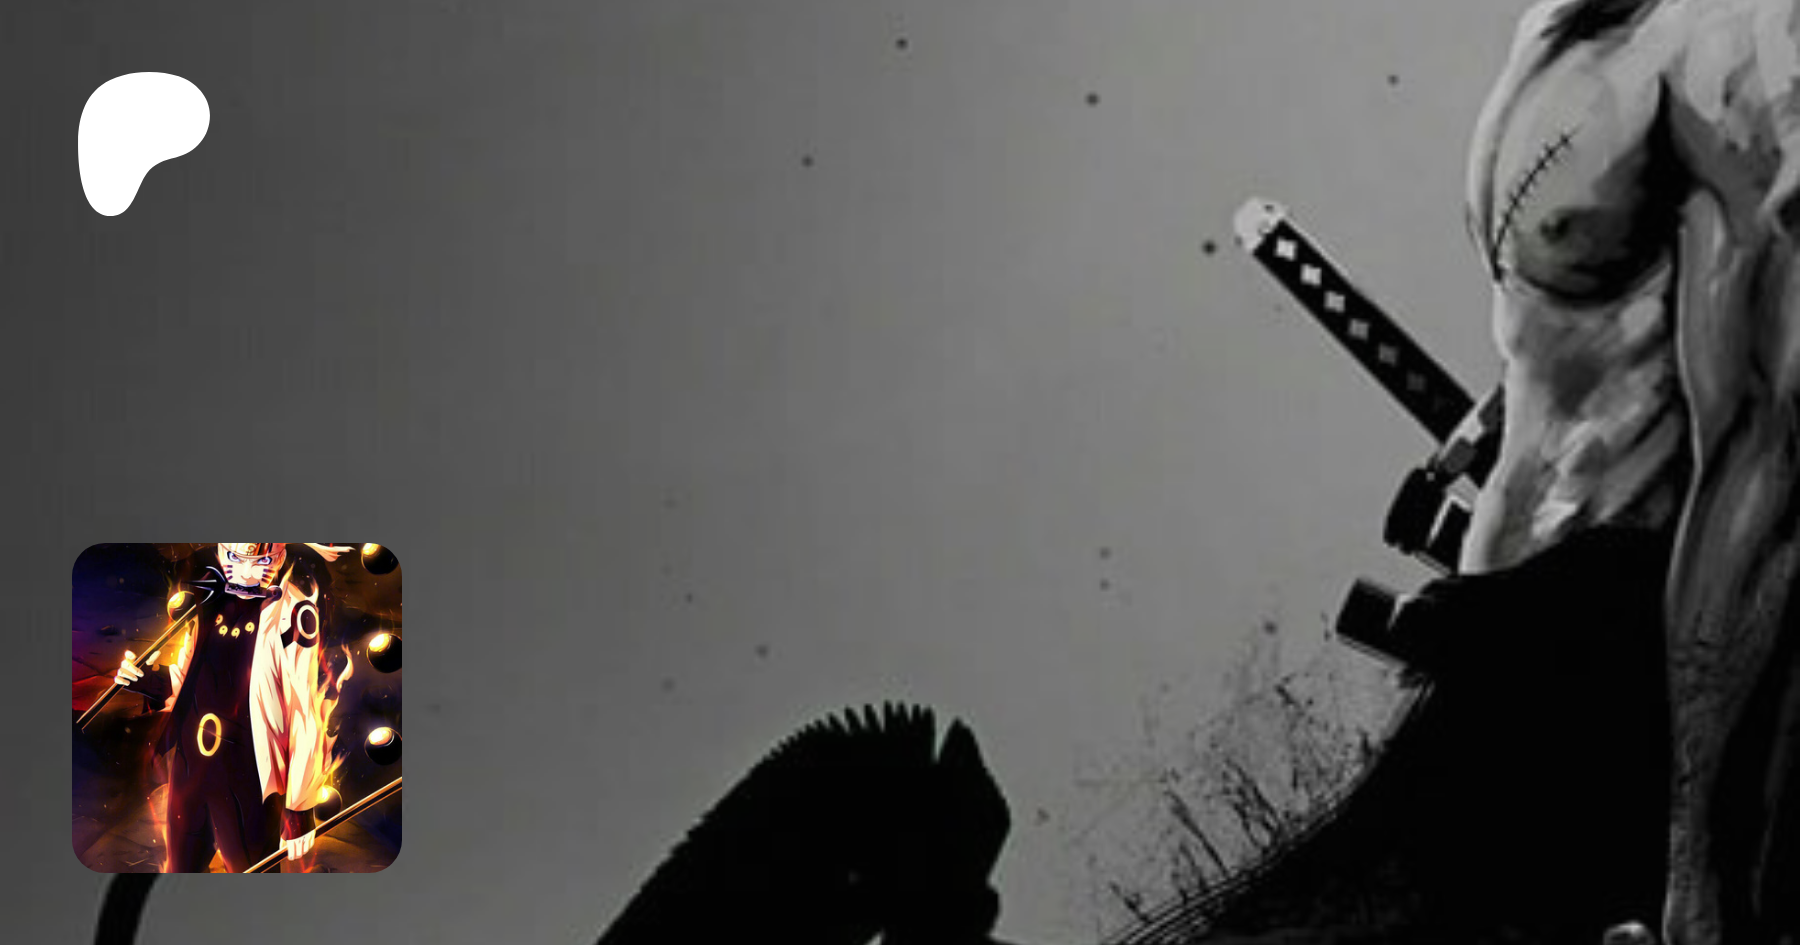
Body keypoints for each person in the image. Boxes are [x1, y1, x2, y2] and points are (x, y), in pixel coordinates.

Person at [1445, 0, 1800, 941]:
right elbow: (1582, 335)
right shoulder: (1554, 21)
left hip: (1618, 683)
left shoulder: (1738, 56)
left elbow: (1763, 459)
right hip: (1500, 655)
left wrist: (1696, 873)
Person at [113, 543, 354, 872]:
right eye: (235, 558)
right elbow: (186, 678)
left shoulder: (294, 613)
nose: (247, 571)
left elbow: (303, 712)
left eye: (263, 560)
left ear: (280, 556)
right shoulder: (210, 598)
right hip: (190, 771)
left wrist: (299, 808)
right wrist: (143, 680)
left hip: (249, 778)